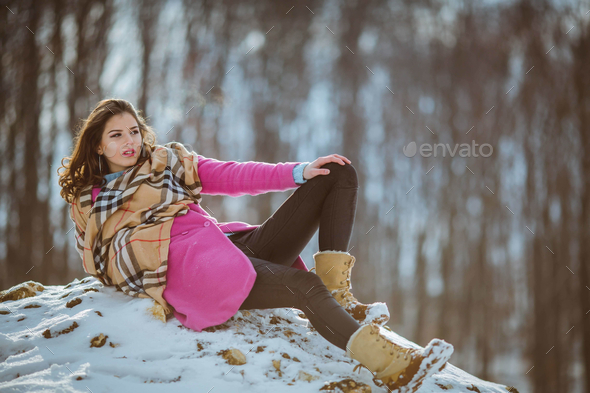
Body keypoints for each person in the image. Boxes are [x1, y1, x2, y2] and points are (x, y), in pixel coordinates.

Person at [58, 98, 454, 390]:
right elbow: (102, 264)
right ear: (97, 145)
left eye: (133, 132)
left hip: (228, 248)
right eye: (116, 135)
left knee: (336, 174)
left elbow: (230, 174)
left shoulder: (165, 163)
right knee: (303, 287)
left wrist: (299, 171)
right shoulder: (90, 205)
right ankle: (393, 368)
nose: (129, 141)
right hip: (198, 275)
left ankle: (338, 290)